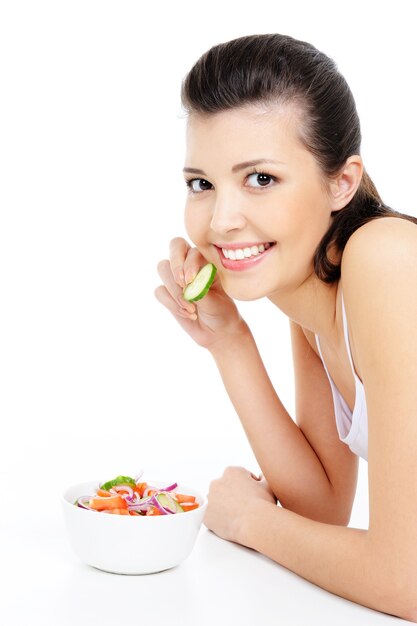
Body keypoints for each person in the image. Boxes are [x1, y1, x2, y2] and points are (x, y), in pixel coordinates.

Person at [155, 33, 417, 621]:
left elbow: (407, 580)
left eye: (261, 179)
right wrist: (229, 342)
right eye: (202, 184)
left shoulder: (387, 259)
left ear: (341, 183)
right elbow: (321, 509)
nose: (221, 220)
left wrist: (250, 520)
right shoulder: (313, 297)